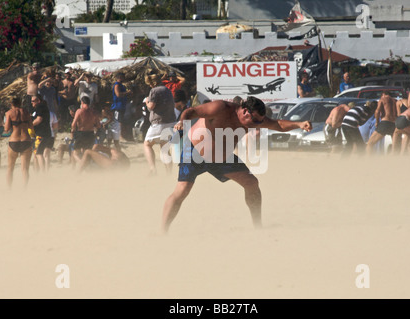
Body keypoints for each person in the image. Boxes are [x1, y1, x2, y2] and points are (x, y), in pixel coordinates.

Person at [161, 96, 312, 234]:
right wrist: (181, 122)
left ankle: (257, 226)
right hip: (193, 152)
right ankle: (163, 232)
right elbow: (191, 111)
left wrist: (299, 124)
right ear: (246, 111)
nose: (258, 124)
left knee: (252, 183)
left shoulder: (254, 119)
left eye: (260, 121)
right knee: (182, 190)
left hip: (221, 158)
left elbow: (277, 124)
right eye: (256, 121)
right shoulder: (220, 108)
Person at [143, 72, 177, 175]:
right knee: (165, 148)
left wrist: (147, 102)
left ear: (152, 83)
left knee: (147, 144)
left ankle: (153, 169)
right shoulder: (167, 89)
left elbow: (151, 106)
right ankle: (169, 173)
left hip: (159, 122)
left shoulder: (154, 91)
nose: (149, 85)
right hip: (170, 121)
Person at [4, 96, 34, 188]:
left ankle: (9, 189)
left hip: (14, 141)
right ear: (20, 102)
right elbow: (31, 127)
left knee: (10, 168)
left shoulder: (9, 113)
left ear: (11, 103)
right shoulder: (26, 112)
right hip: (26, 140)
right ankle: (25, 188)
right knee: (25, 169)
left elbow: (7, 129)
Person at [71, 96, 101, 162]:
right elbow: (98, 125)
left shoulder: (79, 111)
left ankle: (80, 162)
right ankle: (86, 166)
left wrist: (73, 131)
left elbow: (73, 124)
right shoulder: (94, 112)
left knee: (75, 153)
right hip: (90, 134)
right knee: (86, 152)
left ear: (82, 102)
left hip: (81, 133)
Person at [31, 94, 53, 172]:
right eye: (31, 101)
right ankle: (41, 172)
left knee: (38, 153)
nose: (32, 102)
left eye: (33, 101)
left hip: (41, 134)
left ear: (38, 100)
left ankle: (43, 173)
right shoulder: (43, 107)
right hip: (47, 133)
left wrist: (30, 125)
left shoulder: (40, 107)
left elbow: (39, 119)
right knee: (40, 153)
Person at [111, 72, 132, 140]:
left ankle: (121, 135)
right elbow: (118, 94)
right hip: (118, 106)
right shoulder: (117, 85)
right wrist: (127, 93)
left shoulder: (121, 85)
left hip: (122, 106)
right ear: (120, 77)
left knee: (121, 121)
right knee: (118, 121)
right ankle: (119, 136)